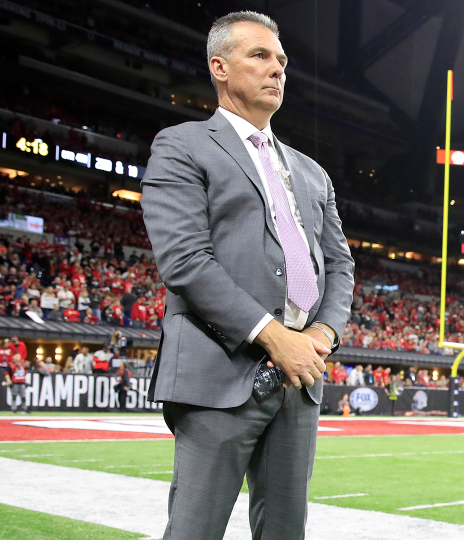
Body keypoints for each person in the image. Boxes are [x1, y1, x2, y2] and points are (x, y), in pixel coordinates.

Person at [140, 11, 354, 540]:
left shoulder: (311, 170)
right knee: (195, 531)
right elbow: (185, 260)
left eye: (281, 60)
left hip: (299, 376)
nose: (277, 69)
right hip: (219, 374)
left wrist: (321, 336)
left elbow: (341, 263)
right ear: (219, 66)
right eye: (259, 56)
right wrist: (275, 336)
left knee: (286, 532)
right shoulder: (183, 144)